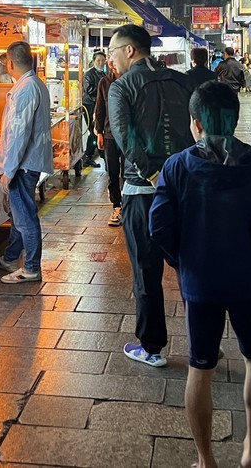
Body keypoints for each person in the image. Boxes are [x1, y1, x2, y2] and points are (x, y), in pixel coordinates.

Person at [150, 82, 251, 468]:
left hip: (200, 284)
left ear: (195, 122)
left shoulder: (177, 166)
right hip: (247, 281)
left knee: (200, 367)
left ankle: (205, 460)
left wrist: (183, 261)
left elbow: (159, 226)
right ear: (232, 120)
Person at [107, 23, 194, 367]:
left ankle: (152, 347)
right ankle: (203, 338)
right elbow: (197, 129)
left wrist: (154, 174)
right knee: (188, 267)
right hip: (184, 187)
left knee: (146, 270)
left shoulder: (122, 88)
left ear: (130, 50)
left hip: (142, 192)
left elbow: (126, 142)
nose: (111, 60)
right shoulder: (180, 81)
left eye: (113, 52)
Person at [0, 41, 54, 284]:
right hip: (27, 162)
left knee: (25, 217)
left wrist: (9, 168)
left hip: (23, 165)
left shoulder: (26, 88)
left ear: (10, 63)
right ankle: (10, 257)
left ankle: (31, 267)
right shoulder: (33, 84)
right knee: (19, 215)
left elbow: (19, 132)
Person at [94, 57, 124, 226]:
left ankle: (127, 203)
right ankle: (116, 205)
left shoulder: (130, 80)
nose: (113, 62)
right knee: (112, 171)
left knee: (127, 173)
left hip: (129, 135)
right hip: (110, 134)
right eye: (110, 58)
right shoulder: (104, 82)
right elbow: (100, 109)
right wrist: (99, 132)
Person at [82, 51, 108, 165]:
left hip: (99, 105)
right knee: (93, 130)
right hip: (89, 105)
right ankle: (88, 156)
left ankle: (99, 155)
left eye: (103, 61)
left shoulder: (104, 74)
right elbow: (90, 89)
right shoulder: (88, 74)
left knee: (98, 129)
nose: (101, 63)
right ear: (93, 61)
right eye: (98, 60)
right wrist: (102, 88)